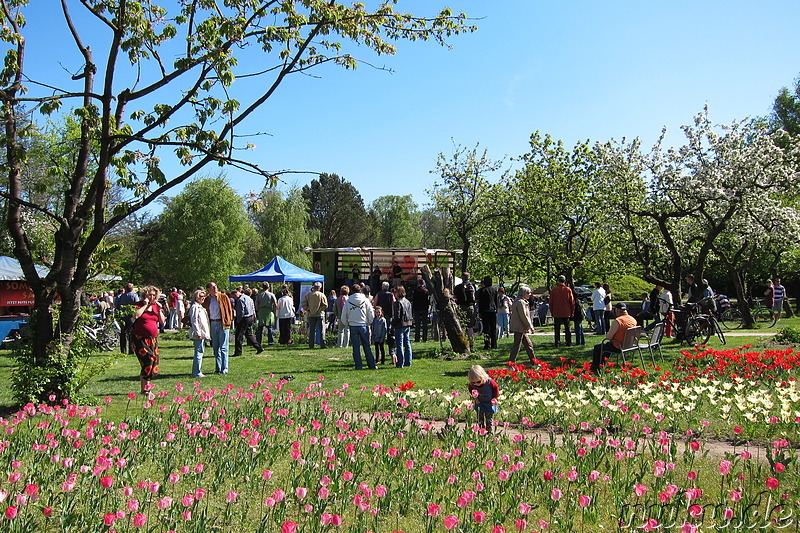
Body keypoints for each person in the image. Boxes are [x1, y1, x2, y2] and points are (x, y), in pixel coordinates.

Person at [131, 286, 165, 394]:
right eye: (150, 294)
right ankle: (146, 389)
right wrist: (145, 305)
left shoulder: (156, 306)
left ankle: (145, 389)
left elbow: (162, 321)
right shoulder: (139, 305)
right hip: (139, 338)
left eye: (154, 295)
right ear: (145, 295)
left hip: (152, 339)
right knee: (147, 360)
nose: (152, 297)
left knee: (153, 362)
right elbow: (135, 316)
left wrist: (159, 311)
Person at [591, 302, 637, 374]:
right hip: (629, 345)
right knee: (607, 346)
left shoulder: (618, 321)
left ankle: (596, 366)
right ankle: (603, 363)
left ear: (617, 311)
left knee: (598, 347)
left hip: (618, 346)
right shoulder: (633, 320)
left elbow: (609, 337)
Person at [339, 284, 377, 370]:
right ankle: (371, 365)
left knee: (356, 347)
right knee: (366, 346)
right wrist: (369, 322)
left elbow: (343, 315)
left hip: (353, 325)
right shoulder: (365, 300)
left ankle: (358, 366)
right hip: (363, 325)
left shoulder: (348, 301)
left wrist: (347, 323)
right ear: (360, 291)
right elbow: (371, 313)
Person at [203, 281, 234, 375]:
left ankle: (225, 368)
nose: (215, 288)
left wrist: (228, 321)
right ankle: (218, 368)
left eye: (216, 286)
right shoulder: (207, 299)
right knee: (215, 347)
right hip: (213, 323)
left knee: (224, 347)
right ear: (209, 289)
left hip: (223, 323)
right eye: (213, 287)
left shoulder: (223, 297)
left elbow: (229, 310)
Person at [467, 365, 500, 434]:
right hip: (479, 402)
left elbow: (495, 388)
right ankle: (481, 430)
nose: (476, 384)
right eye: (473, 382)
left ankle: (489, 431)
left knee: (489, 418)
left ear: (483, 377)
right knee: (480, 417)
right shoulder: (472, 385)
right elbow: (471, 390)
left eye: (478, 382)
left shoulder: (489, 383)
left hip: (489, 402)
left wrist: (494, 398)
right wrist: (475, 398)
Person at [509, 285, 536, 363]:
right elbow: (524, 316)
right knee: (517, 346)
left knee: (528, 345)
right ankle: (511, 363)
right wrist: (530, 326)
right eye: (528, 293)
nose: (529, 294)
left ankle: (534, 362)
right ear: (523, 293)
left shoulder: (518, 301)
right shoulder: (521, 302)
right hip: (519, 327)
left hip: (521, 328)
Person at [187, 289, 210, 378]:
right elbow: (194, 320)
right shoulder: (195, 307)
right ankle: (196, 372)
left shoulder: (200, 306)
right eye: (200, 296)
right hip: (198, 333)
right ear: (196, 297)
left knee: (200, 351)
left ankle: (197, 370)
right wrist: (198, 332)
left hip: (202, 332)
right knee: (199, 351)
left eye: (204, 296)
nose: (203, 298)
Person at [233, 288, 263, 357]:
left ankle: (238, 352)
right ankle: (259, 347)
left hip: (244, 318)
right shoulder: (248, 298)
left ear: (236, 294)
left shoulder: (240, 300)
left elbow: (241, 312)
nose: (234, 299)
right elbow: (253, 307)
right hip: (250, 317)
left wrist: (238, 320)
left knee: (238, 336)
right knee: (249, 334)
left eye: (234, 297)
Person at [549, 275, 575, 347]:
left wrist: (552, 311)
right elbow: (572, 302)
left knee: (557, 329)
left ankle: (557, 342)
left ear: (558, 281)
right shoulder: (568, 289)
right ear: (565, 281)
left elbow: (551, 302)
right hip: (566, 312)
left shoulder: (554, 290)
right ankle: (568, 342)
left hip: (556, 312)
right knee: (567, 328)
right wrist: (572, 311)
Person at [301, 282, 328, 349]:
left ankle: (311, 345)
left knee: (312, 330)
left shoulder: (309, 295)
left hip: (311, 314)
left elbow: (304, 304)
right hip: (320, 314)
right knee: (321, 330)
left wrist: (308, 309)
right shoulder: (321, 295)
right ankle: (322, 344)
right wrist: (320, 310)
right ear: (320, 288)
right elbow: (325, 305)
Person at [373, 282, 396, 358]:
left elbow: (374, 304)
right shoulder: (391, 294)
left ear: (382, 287)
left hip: (380, 314)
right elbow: (394, 303)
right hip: (389, 314)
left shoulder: (378, 294)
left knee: (379, 329)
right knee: (388, 329)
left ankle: (379, 343)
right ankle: (389, 344)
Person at [392, 285, 414, 368]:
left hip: (400, 324)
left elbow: (397, 316)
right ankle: (408, 362)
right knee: (407, 343)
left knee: (399, 344)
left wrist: (393, 324)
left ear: (399, 293)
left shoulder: (398, 302)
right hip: (408, 323)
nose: (394, 294)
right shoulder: (407, 301)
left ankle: (400, 363)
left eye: (395, 292)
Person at [115, 283, 140, 354]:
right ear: (132, 288)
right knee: (131, 333)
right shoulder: (134, 295)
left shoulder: (121, 296)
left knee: (123, 333)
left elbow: (117, 305)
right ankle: (131, 349)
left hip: (122, 316)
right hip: (131, 316)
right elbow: (137, 304)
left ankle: (123, 350)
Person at [454, 272, 477, 345]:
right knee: (470, 326)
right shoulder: (473, 286)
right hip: (471, 307)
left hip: (461, 307)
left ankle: (463, 343)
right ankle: (471, 342)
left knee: (461, 325)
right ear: (469, 278)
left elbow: (455, 297)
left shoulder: (458, 287)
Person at [477, 276, 499, 349]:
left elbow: (480, 303)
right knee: (493, 328)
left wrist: (480, 312)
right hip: (493, 310)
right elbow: (496, 301)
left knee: (486, 329)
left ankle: (487, 344)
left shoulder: (482, 291)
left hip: (485, 311)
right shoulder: (494, 290)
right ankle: (494, 344)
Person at [412, 279, 429, 343]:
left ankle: (417, 338)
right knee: (424, 325)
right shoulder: (426, 291)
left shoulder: (415, 291)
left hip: (417, 308)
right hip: (424, 308)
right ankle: (425, 338)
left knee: (417, 325)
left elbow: (413, 300)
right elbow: (427, 300)